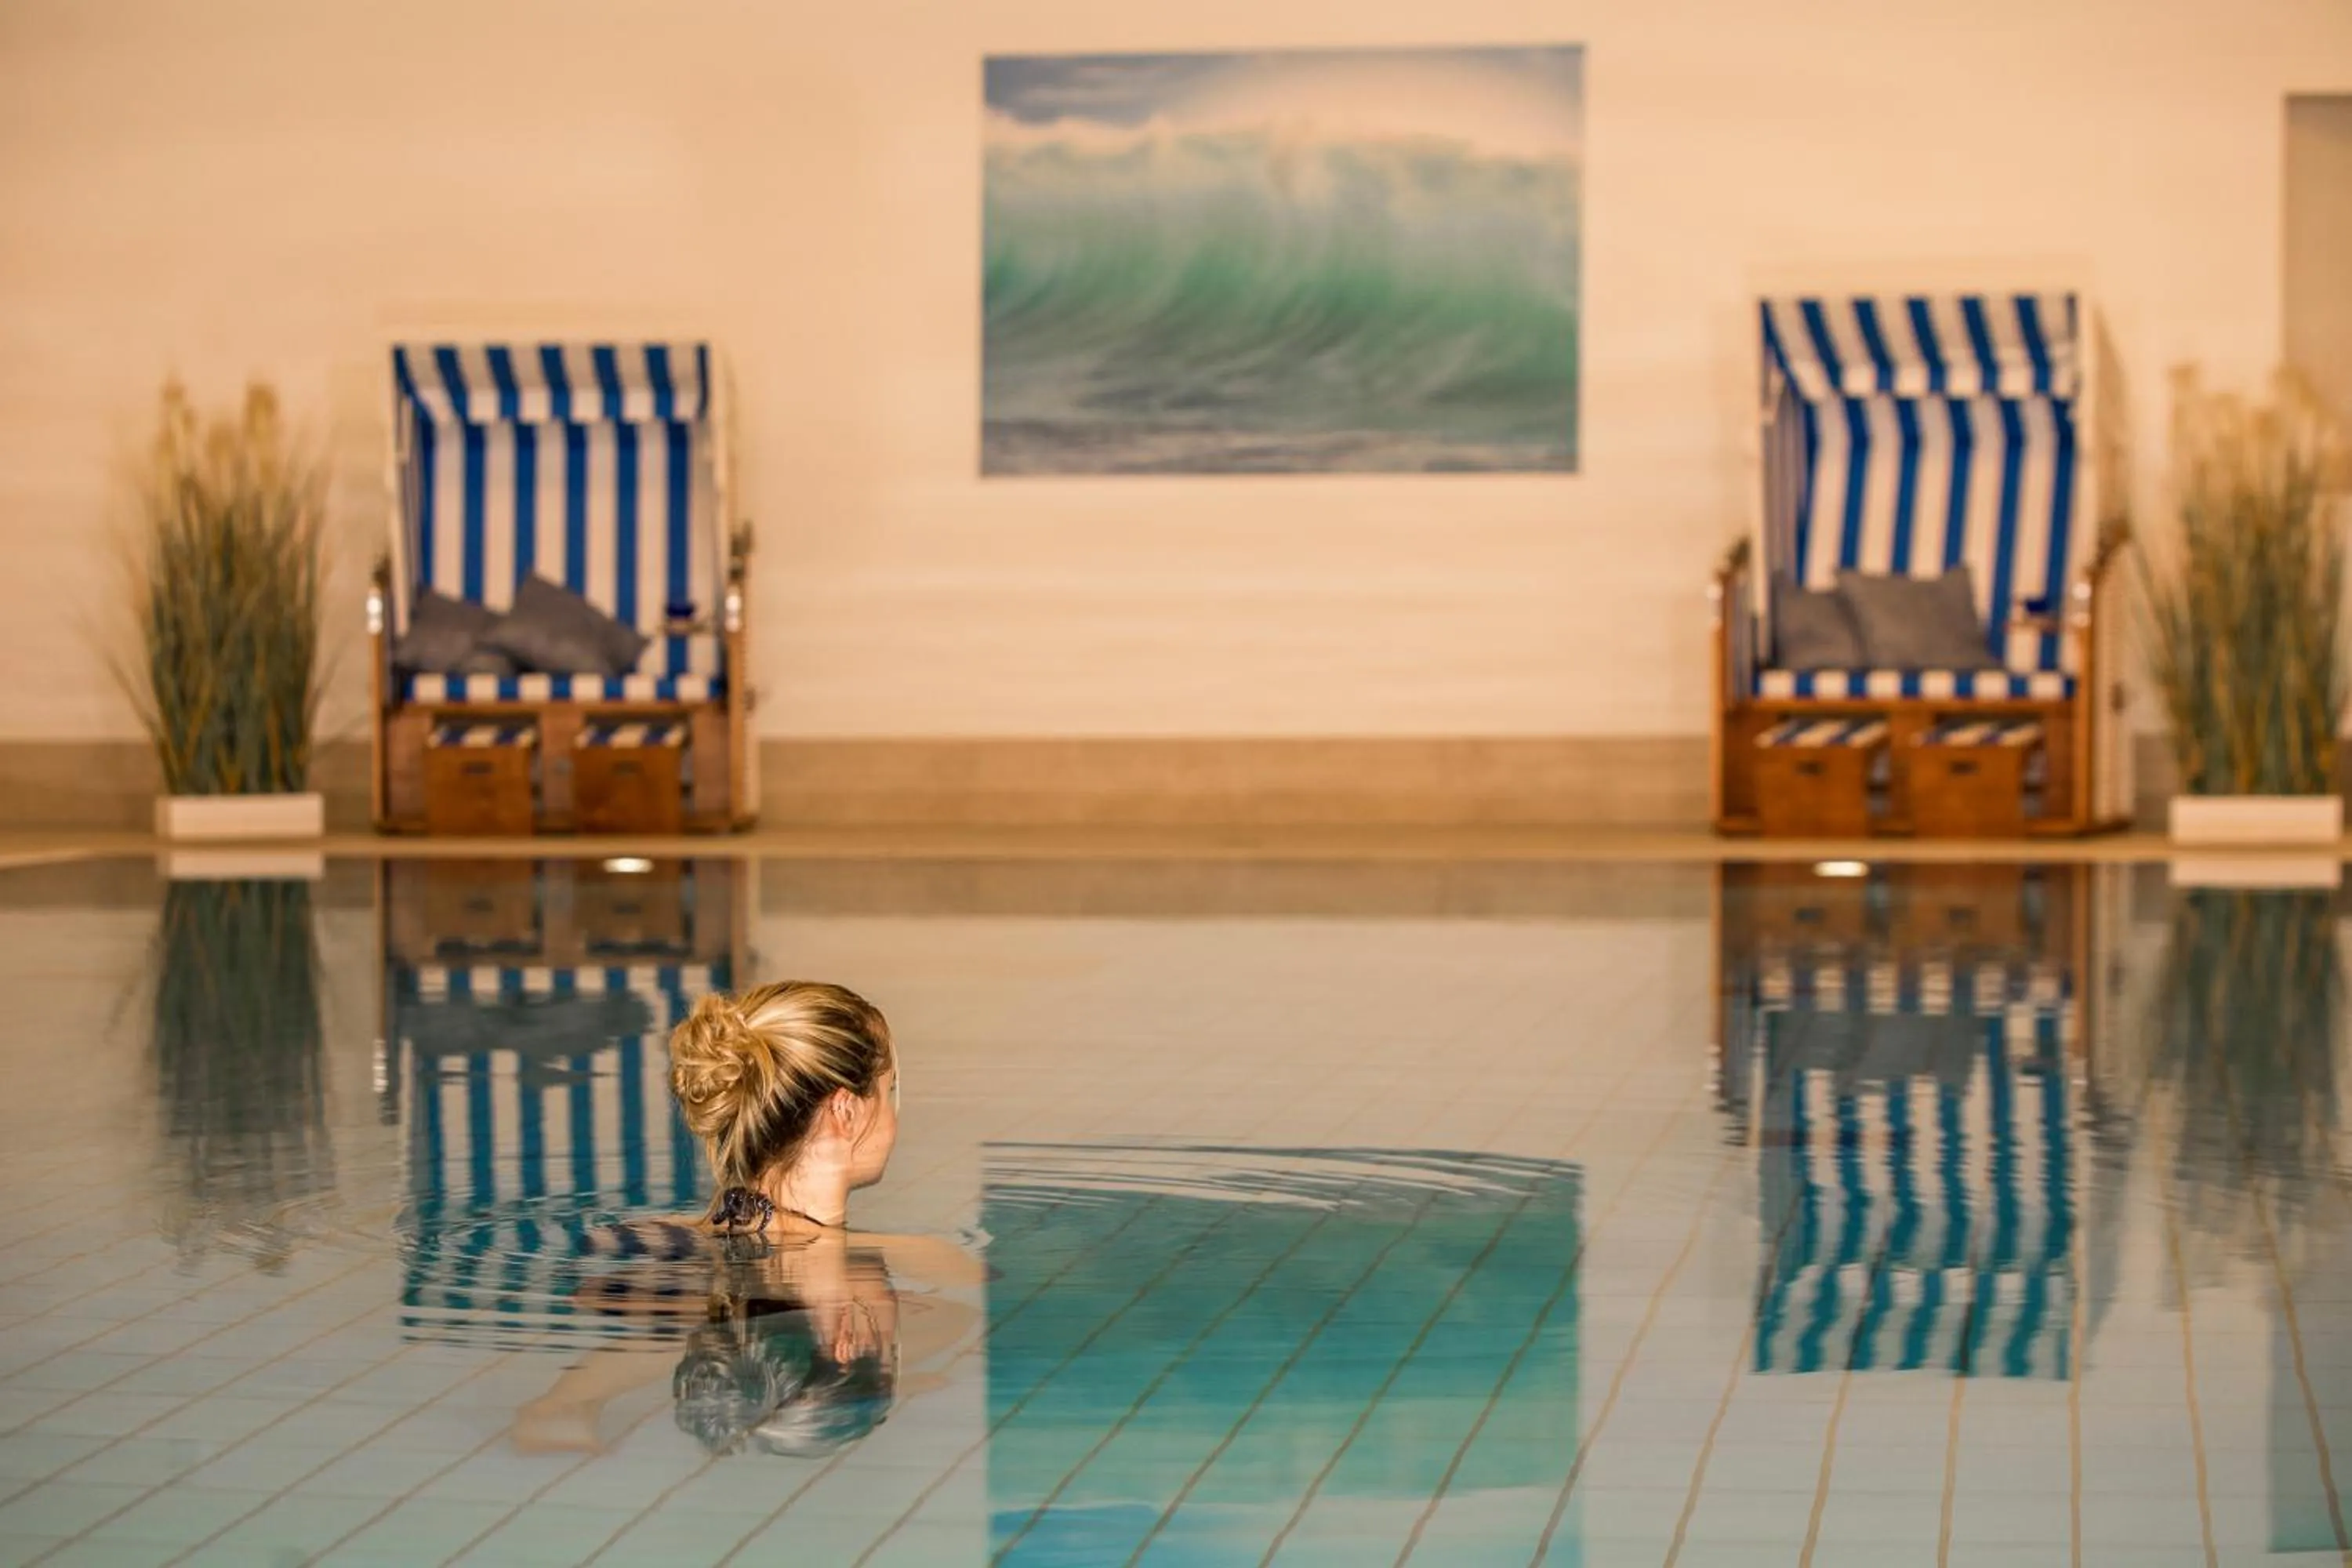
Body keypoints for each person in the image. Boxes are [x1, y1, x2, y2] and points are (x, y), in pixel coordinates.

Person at [510, 981, 982, 1456]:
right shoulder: (926, 1260)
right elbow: (964, 1310)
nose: (895, 1117)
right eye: (889, 1092)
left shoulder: (678, 1236)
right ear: (845, 1110)